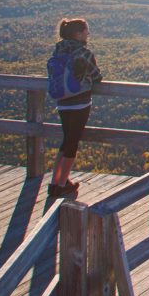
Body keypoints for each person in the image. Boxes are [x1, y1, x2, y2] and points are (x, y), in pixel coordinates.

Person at [46, 17, 102, 199]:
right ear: (78, 34)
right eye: (86, 30)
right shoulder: (83, 53)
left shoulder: (59, 50)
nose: (88, 34)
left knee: (66, 141)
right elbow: (96, 77)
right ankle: (62, 184)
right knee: (72, 144)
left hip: (62, 102)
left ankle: (55, 182)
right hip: (80, 103)